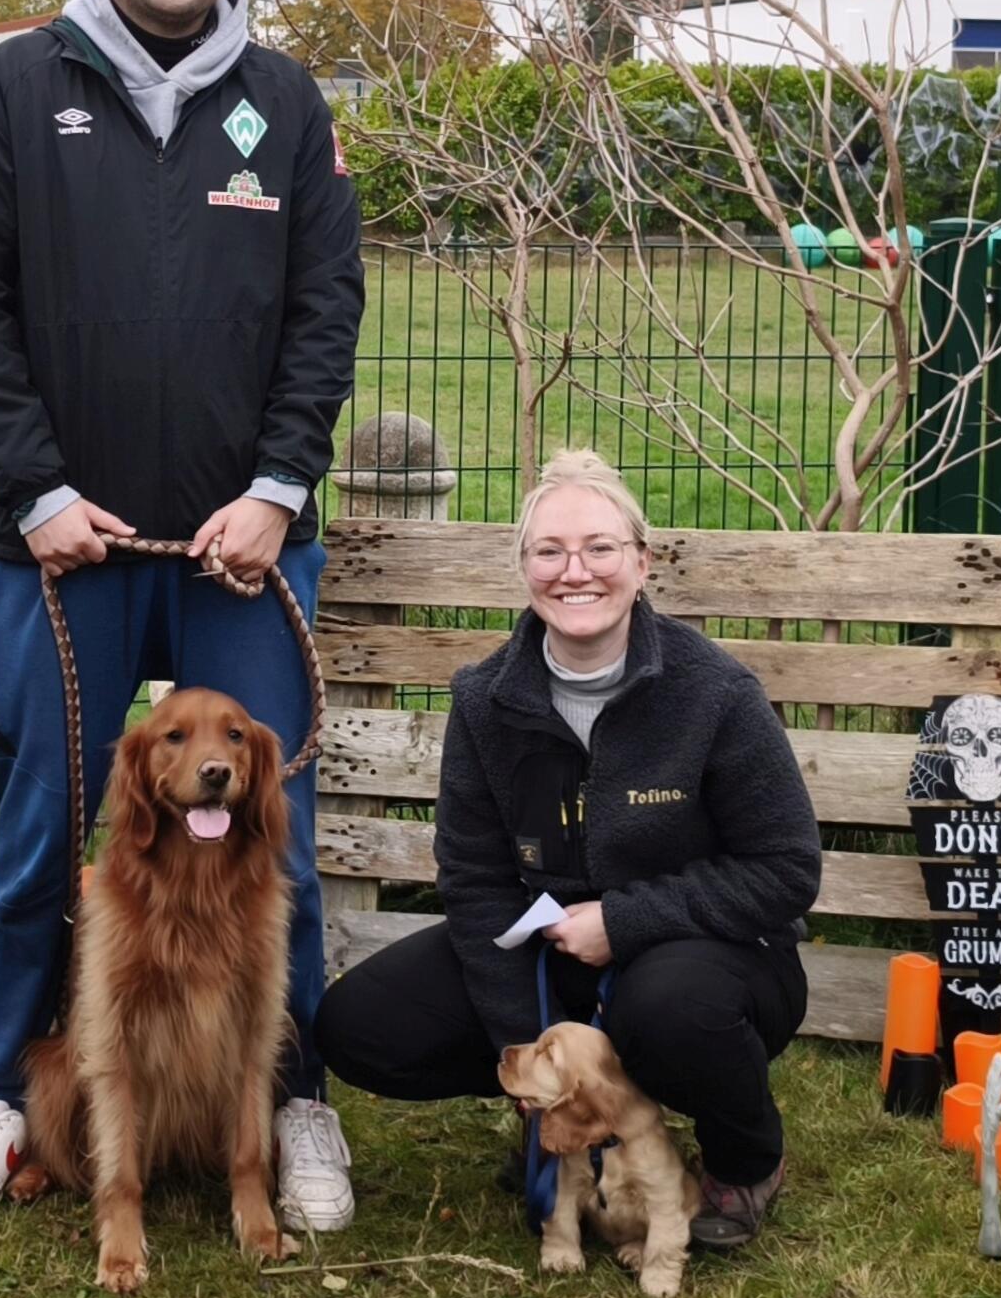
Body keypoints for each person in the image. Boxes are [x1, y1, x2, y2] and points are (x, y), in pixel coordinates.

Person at [0, 0, 365, 1238]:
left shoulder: (287, 106)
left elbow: (324, 312)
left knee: (265, 837)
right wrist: (40, 493)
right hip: (68, 554)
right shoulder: (12, 86)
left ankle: (291, 1096)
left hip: (239, 550)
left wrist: (280, 486)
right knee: (48, 829)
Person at [314, 450, 822, 1250]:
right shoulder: (486, 701)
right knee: (359, 1024)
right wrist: (537, 1064)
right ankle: (580, 1124)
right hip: (552, 957)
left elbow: (787, 869)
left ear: (642, 562)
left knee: (670, 1008)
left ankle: (746, 1157)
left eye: (599, 548)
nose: (573, 571)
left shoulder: (715, 693)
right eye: (549, 551)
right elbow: (477, 881)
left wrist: (623, 920)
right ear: (523, 568)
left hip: (710, 961)